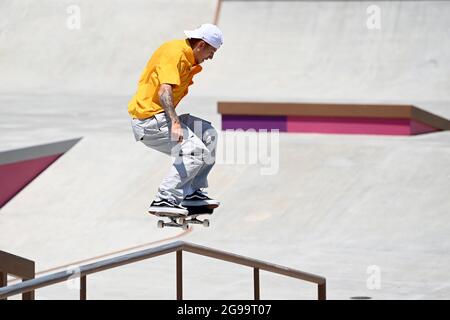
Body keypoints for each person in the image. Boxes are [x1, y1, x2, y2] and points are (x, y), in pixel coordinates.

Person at [128, 24, 223, 216]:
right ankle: (165, 198)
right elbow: (165, 90)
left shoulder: (188, 59)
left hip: (162, 116)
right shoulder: (175, 53)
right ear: (201, 45)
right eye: (211, 52)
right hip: (149, 120)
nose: (211, 57)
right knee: (195, 151)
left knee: (208, 135)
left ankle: (191, 193)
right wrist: (176, 123)